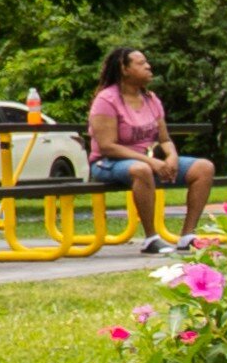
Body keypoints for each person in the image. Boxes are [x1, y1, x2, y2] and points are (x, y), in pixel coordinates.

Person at [88, 46, 214, 251]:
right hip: (108, 163)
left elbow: (164, 139)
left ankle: (187, 235)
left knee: (204, 168)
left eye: (147, 62)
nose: (148, 67)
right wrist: (151, 161)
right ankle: (151, 238)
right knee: (141, 169)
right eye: (141, 63)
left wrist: (171, 156)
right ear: (124, 68)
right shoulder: (106, 100)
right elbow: (107, 146)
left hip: (145, 163)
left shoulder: (151, 99)